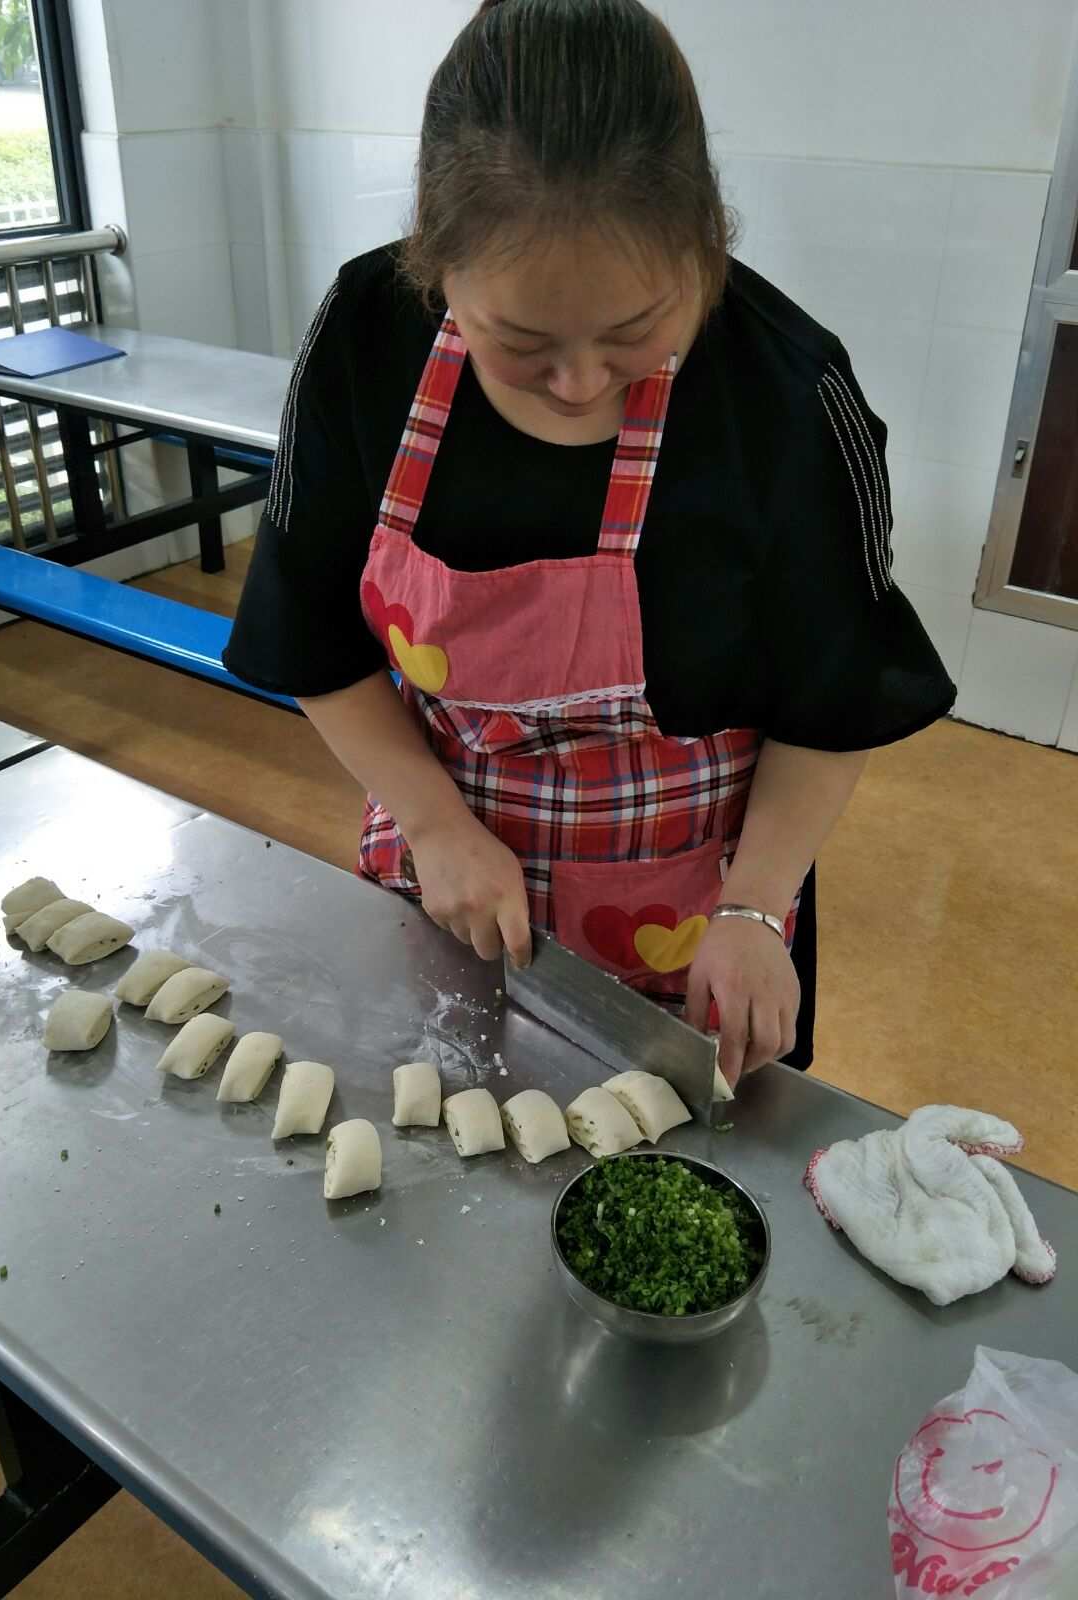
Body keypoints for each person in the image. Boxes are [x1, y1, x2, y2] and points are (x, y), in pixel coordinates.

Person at [224, 0, 955, 1086]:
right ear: (436, 263)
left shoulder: (788, 398)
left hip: (699, 926)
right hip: (447, 882)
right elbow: (313, 638)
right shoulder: (364, 343)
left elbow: (837, 697)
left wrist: (758, 904)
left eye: (633, 335)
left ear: (706, 245)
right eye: (519, 342)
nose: (577, 385)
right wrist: (432, 824)